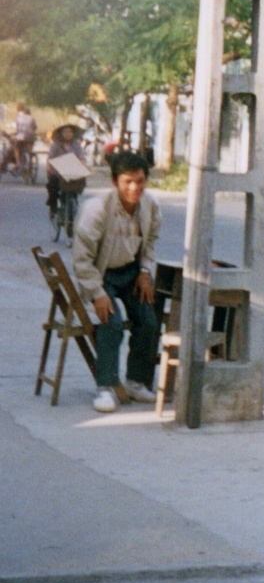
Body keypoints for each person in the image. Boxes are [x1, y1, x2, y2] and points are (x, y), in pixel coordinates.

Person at [72, 150, 162, 413]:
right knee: (111, 324)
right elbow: (82, 260)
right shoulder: (96, 209)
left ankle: (136, 381)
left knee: (148, 320)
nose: (135, 188)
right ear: (115, 182)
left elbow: (151, 243)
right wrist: (97, 292)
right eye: (128, 182)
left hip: (131, 272)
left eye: (140, 181)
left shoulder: (151, 205)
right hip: (101, 275)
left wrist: (145, 271)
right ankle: (106, 387)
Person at [45, 123, 88, 219]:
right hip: (58, 173)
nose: (68, 134)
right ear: (61, 134)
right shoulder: (56, 146)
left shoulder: (76, 145)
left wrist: (83, 164)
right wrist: (49, 166)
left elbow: (81, 157)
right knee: (53, 183)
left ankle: (72, 202)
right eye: (65, 132)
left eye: (70, 132)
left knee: (77, 183)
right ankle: (53, 206)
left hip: (72, 172)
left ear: (73, 134)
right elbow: (50, 158)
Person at [13, 104, 36, 175]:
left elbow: (17, 128)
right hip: (30, 137)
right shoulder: (32, 119)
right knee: (30, 149)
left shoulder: (19, 118)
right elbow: (34, 127)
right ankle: (30, 159)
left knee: (16, 148)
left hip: (21, 137)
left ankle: (17, 162)